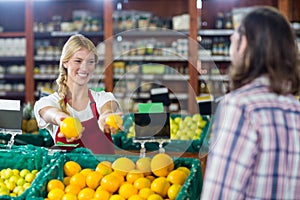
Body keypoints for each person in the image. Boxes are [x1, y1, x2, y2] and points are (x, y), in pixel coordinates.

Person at [201, 6, 300, 199]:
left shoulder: (240, 107)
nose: (231, 39)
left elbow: (220, 194)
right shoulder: (296, 110)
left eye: (236, 35)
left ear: (244, 43)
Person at [34, 34, 122, 154]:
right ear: (65, 62)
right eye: (78, 61)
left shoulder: (103, 98)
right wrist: (63, 120)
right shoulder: (49, 102)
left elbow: (107, 108)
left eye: (90, 62)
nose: (84, 68)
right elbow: (50, 113)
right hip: (67, 172)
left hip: (104, 172)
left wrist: (106, 116)